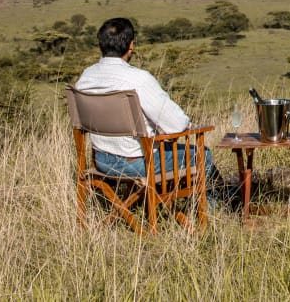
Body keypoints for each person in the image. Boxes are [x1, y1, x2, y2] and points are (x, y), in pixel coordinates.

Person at [75, 17, 226, 194]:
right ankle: (219, 209)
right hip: (137, 163)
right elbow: (177, 125)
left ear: (101, 44)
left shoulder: (86, 77)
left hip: (101, 161)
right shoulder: (139, 79)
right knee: (202, 154)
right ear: (131, 45)